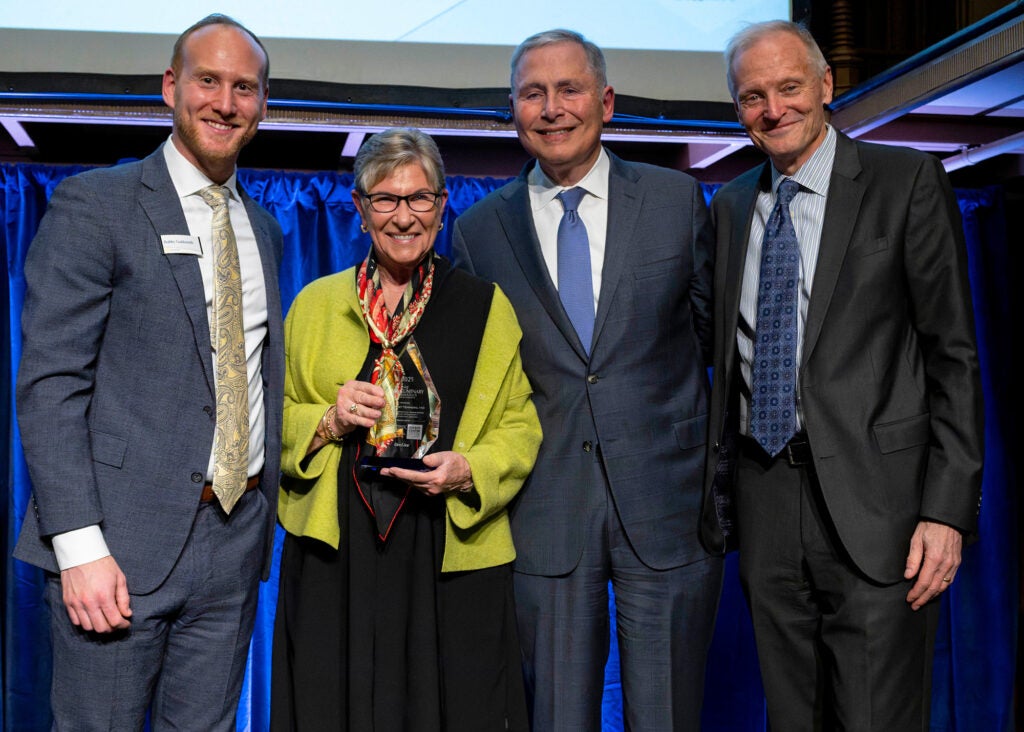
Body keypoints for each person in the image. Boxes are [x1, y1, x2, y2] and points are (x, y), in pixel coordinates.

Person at [701, 20, 984, 730]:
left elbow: (953, 354)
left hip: (879, 508)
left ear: (827, 86)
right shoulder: (732, 206)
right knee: (792, 717)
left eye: (790, 87)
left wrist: (946, 512)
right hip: (765, 497)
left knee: (874, 718)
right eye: (752, 96)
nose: (773, 109)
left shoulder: (905, 181)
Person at [14, 14, 283, 731]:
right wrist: (78, 546)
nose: (225, 102)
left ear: (262, 104)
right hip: (116, 549)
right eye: (208, 81)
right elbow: (50, 386)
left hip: (233, 540)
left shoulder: (265, 229)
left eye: (245, 88)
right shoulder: (96, 206)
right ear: (171, 87)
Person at [453, 29, 721, 731]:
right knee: (554, 718)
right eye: (532, 93)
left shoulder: (675, 200)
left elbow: (709, 338)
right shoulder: (479, 230)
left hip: (666, 508)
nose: (552, 108)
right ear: (512, 110)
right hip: (544, 511)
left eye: (568, 89)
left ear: (604, 101)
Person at [271, 127, 541, 732]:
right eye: (385, 200)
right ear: (361, 209)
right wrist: (327, 419)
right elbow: (274, 419)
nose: (404, 216)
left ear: (442, 208)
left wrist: (469, 470)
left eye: (419, 198)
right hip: (336, 549)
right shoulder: (316, 303)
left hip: (443, 543)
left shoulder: (484, 305)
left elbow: (520, 424)